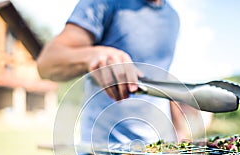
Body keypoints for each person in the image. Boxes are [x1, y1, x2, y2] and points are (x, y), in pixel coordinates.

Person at [37, 0, 191, 145]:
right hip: (105, 151)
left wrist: (180, 130)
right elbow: (47, 63)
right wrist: (93, 56)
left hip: (158, 148)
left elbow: (163, 79)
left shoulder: (173, 18)